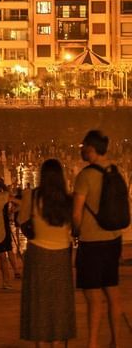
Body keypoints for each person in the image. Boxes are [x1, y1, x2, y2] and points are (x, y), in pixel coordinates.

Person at [74, 130, 127, 348]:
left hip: (92, 241)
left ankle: (93, 344)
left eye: (84, 146)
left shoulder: (85, 176)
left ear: (92, 149)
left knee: (93, 297)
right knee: (112, 292)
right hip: (114, 239)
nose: (82, 150)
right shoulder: (117, 171)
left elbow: (76, 213)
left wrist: (75, 232)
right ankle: (116, 341)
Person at [18, 158, 77, 347]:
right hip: (61, 255)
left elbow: (21, 220)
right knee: (60, 304)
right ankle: (58, 343)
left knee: (39, 305)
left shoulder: (32, 196)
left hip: (38, 255)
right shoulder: (69, 201)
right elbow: (75, 227)